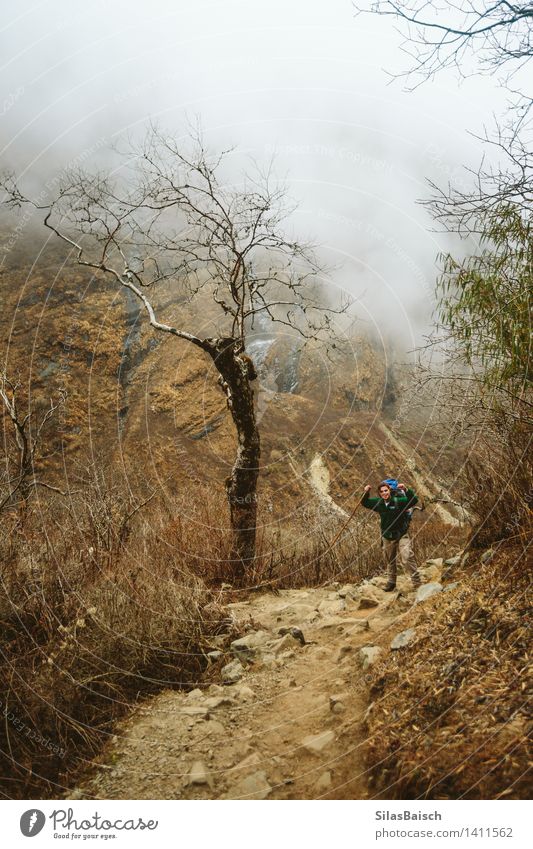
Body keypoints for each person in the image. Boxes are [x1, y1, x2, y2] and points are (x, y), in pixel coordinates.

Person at [361, 480, 421, 592]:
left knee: (407, 557)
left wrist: (406, 490)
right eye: (382, 491)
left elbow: (414, 500)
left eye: (386, 490)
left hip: (402, 534)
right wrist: (366, 492)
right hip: (387, 536)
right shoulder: (378, 503)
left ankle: (417, 582)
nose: (384, 493)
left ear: (390, 491)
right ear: (379, 494)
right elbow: (364, 502)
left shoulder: (398, 501)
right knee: (390, 560)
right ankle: (391, 582)